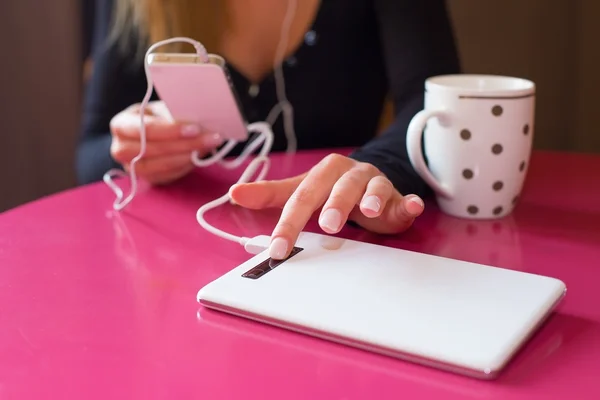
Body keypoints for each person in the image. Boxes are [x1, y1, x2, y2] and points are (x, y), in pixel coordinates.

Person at [77, 0, 461, 259]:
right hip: (173, 260)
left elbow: (438, 107)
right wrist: (135, 148)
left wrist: (375, 169)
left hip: (340, 254)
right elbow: (91, 153)